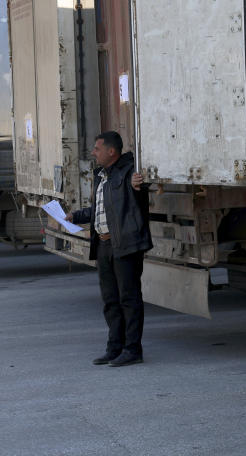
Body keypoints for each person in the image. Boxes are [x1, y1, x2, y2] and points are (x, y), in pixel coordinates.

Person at [66, 131, 153, 366]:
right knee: (110, 300)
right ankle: (114, 347)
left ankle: (133, 350)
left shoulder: (129, 172)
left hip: (125, 244)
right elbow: (99, 210)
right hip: (103, 244)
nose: (93, 153)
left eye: (97, 148)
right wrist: (75, 216)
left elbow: (141, 190)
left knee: (129, 299)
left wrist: (139, 184)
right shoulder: (101, 176)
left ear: (111, 151)